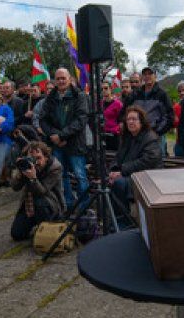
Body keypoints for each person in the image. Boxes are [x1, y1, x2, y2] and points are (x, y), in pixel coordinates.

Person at [40, 68, 89, 208]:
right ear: (55, 80)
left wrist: (62, 135)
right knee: (62, 176)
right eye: (58, 78)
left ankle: (84, 207)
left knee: (80, 176)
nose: (61, 81)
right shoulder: (50, 98)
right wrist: (54, 135)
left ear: (70, 79)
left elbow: (81, 120)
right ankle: (68, 204)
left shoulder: (80, 96)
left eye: (64, 78)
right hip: (57, 145)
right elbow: (43, 120)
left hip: (75, 143)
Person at [107, 105, 162, 213]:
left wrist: (122, 171)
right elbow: (118, 157)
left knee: (119, 183)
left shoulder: (150, 137)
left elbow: (148, 161)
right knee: (103, 182)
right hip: (129, 174)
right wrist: (113, 171)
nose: (130, 122)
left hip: (146, 177)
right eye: (128, 119)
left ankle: (122, 221)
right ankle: (109, 220)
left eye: (134, 119)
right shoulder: (127, 137)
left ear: (141, 121)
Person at [10, 141, 65, 241]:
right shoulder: (26, 166)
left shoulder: (55, 167)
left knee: (39, 201)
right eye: (32, 159)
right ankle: (34, 223)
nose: (35, 162)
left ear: (46, 157)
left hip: (50, 205)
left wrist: (33, 178)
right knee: (16, 234)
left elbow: (42, 191)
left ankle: (46, 228)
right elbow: (15, 187)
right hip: (29, 206)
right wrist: (20, 172)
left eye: (38, 158)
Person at [130, 67, 174, 155]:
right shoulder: (136, 94)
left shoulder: (162, 94)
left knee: (156, 163)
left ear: (155, 76)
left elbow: (169, 117)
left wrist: (157, 132)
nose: (147, 76)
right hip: (138, 136)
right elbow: (127, 112)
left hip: (155, 137)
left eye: (150, 74)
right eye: (145, 74)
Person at [101, 82, 123, 151]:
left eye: (106, 88)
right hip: (103, 134)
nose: (104, 90)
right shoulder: (100, 103)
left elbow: (122, 120)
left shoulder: (118, 104)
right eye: (102, 89)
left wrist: (116, 130)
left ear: (110, 89)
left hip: (114, 135)